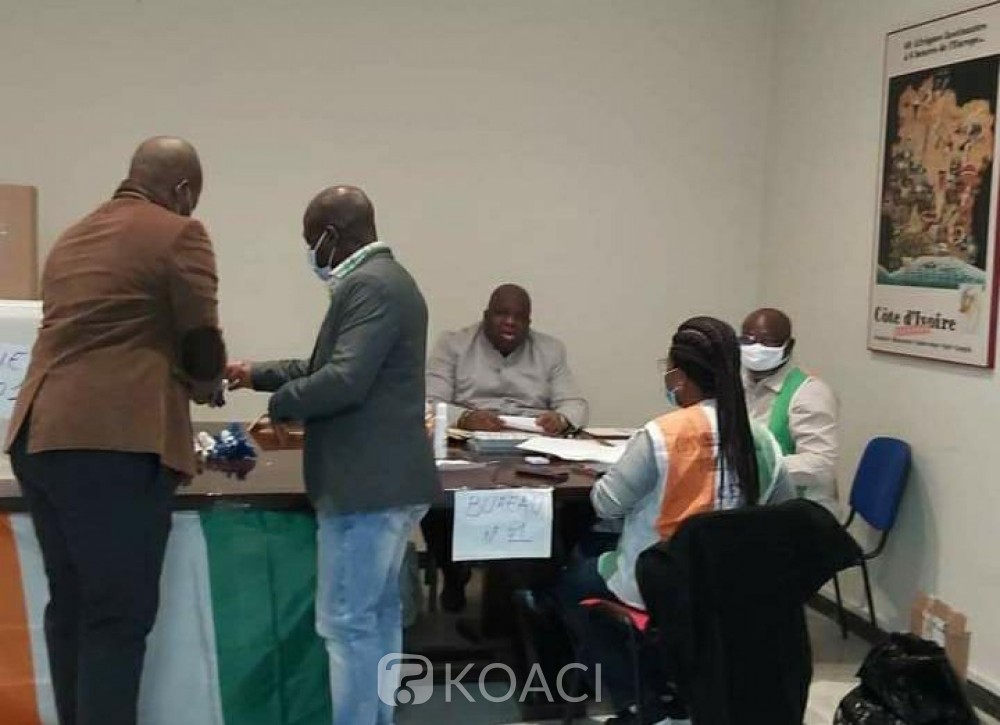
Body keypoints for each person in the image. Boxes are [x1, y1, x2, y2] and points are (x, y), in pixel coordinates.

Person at [4, 136, 225, 725]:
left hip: (39, 436)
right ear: (183, 190)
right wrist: (206, 383)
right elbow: (201, 339)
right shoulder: (179, 233)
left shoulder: (74, 236)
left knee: (71, 607)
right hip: (112, 444)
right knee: (116, 617)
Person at [225, 185, 438, 725]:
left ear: (330, 235)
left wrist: (280, 404)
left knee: (346, 626)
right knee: (377, 620)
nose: (310, 254)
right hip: (387, 484)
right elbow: (326, 366)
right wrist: (254, 374)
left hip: (364, 487)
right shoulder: (388, 281)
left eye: (310, 241)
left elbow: (343, 379)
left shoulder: (370, 285)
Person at [555, 316, 793, 723]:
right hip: (728, 590)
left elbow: (606, 505)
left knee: (571, 584)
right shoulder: (761, 438)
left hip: (658, 584)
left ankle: (640, 699)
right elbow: (782, 511)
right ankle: (675, 687)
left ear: (679, 377)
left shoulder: (661, 435)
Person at [423, 283, 588, 611]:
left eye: (519, 317)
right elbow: (428, 401)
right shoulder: (453, 345)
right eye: (502, 314)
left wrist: (561, 419)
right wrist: (465, 417)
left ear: (529, 322)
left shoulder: (550, 350)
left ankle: (535, 594)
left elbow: (575, 404)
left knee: (578, 505)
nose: (510, 322)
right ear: (486, 315)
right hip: (466, 449)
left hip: (530, 453)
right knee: (433, 502)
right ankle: (453, 573)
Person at [740, 307, 839, 512]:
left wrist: (757, 467)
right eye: (748, 340)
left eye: (768, 342)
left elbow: (821, 464)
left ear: (789, 345)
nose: (757, 348)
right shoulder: (739, 384)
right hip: (756, 503)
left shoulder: (809, 393)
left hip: (798, 511)